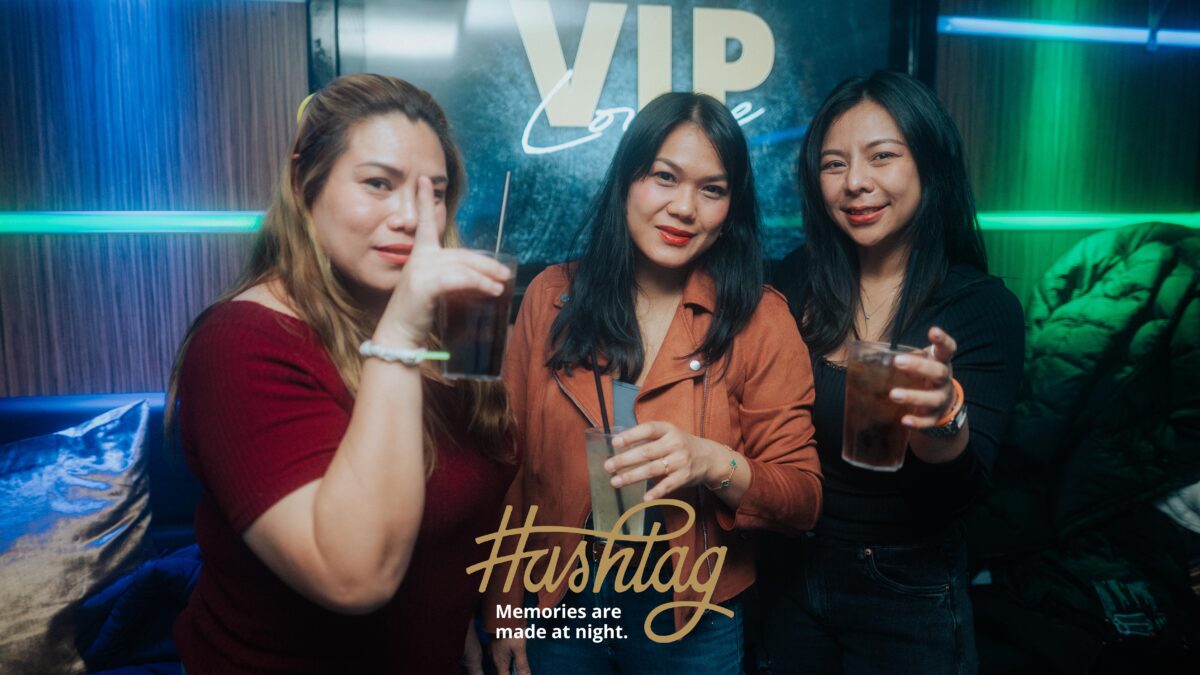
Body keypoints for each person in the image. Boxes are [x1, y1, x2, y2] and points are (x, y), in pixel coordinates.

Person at [167, 73, 517, 674]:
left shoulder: (439, 330)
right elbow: (355, 577)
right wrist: (399, 336)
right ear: (304, 182)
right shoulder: (240, 342)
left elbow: (471, 508)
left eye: (434, 193)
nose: (412, 216)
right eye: (378, 183)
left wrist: (473, 617)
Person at [487, 92, 823, 675]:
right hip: (560, 598)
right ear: (627, 179)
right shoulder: (551, 298)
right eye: (664, 177)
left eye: (712, 189)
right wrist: (502, 609)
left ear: (731, 208)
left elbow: (803, 499)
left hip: (690, 611)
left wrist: (710, 461)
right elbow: (508, 468)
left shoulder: (760, 319)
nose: (684, 207)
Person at [757, 70, 1025, 674]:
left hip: (906, 588)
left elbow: (961, 494)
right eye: (834, 164)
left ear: (930, 164)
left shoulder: (979, 307)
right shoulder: (792, 281)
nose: (855, 182)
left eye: (882, 156)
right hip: (786, 574)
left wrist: (940, 421)